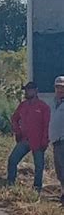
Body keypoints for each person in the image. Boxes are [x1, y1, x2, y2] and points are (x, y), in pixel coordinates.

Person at [7, 82, 50, 192]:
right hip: (25, 139)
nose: (27, 92)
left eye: (29, 90)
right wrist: (17, 131)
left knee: (39, 166)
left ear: (36, 91)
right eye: (26, 90)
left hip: (38, 140)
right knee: (12, 160)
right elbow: (14, 118)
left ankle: (37, 189)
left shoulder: (43, 107)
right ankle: (11, 185)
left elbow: (47, 125)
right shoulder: (23, 105)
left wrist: (45, 139)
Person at [49, 76, 64, 206]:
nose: (60, 89)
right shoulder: (54, 102)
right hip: (56, 142)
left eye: (62, 87)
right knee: (59, 170)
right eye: (58, 87)